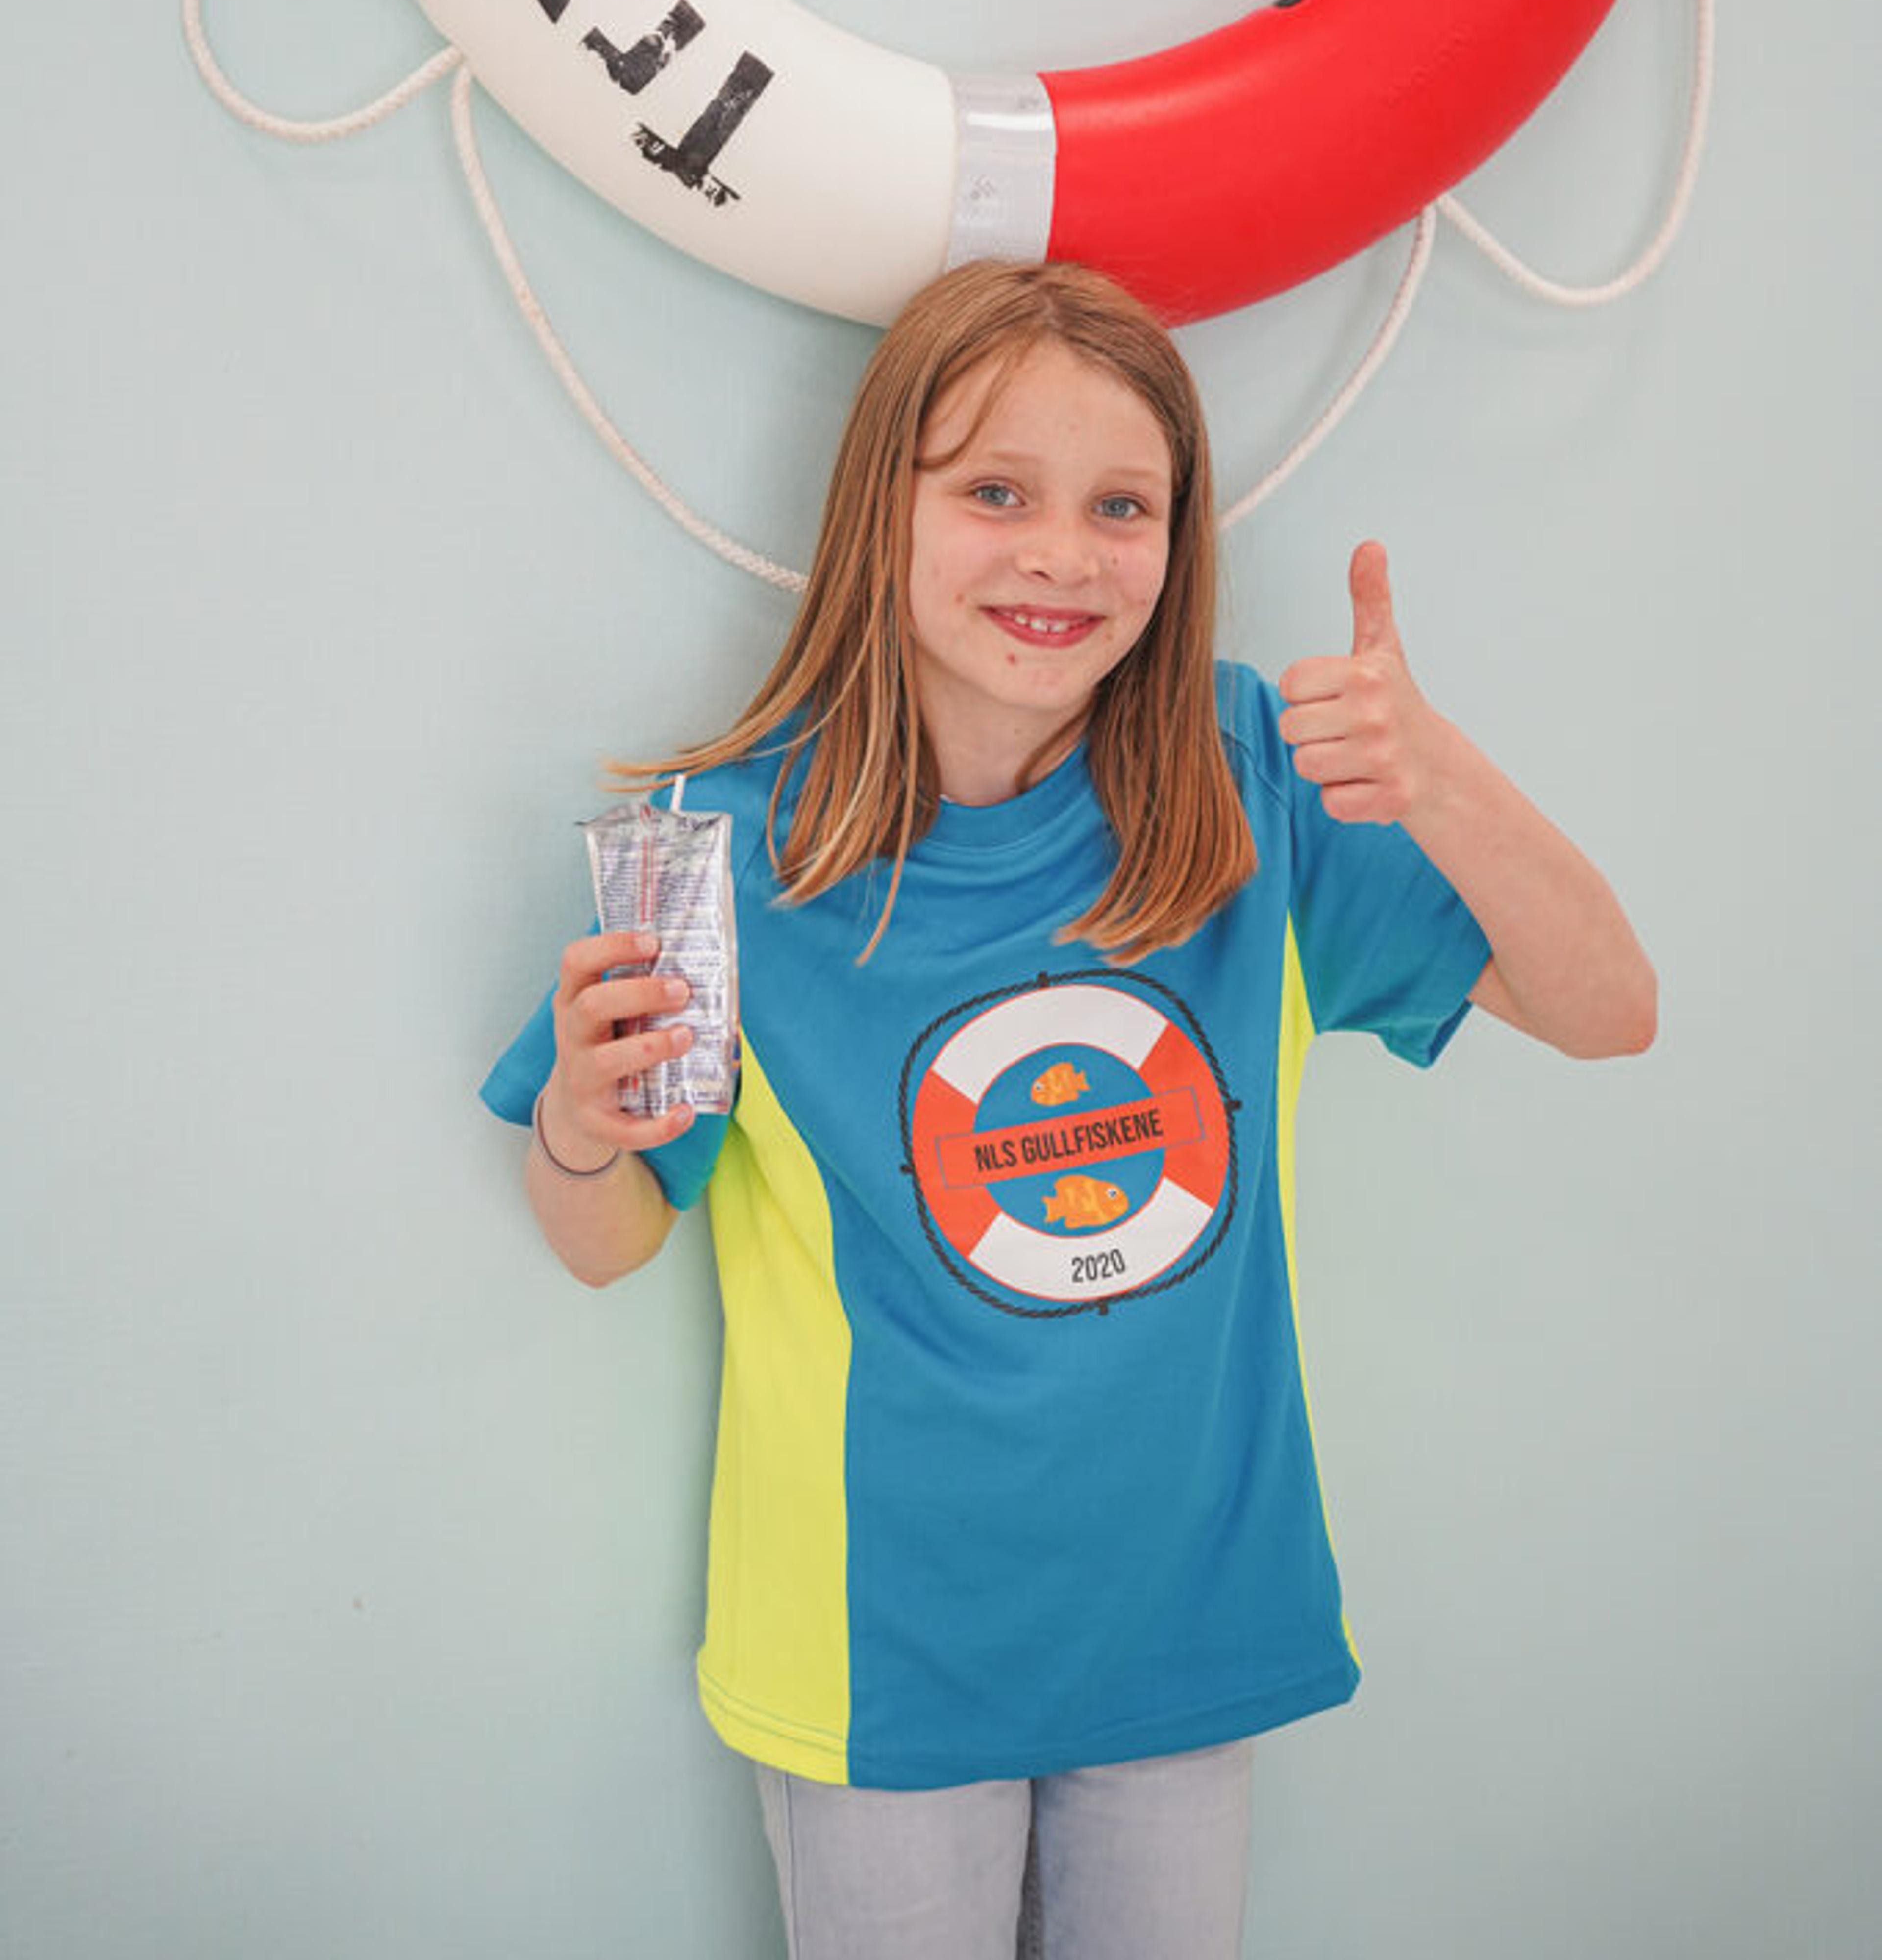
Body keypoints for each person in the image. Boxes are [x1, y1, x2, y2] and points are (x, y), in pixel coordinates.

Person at [480, 260, 1655, 1960]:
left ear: (1178, 546)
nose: (1061, 554)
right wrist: (583, 1130)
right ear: (882, 510)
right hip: (876, 1656)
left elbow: (1611, 1011)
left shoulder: (1250, 782)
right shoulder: (713, 857)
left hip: (1186, 1630)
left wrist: (1440, 775)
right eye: (994, 493)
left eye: (1123, 506)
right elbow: (603, 1242)